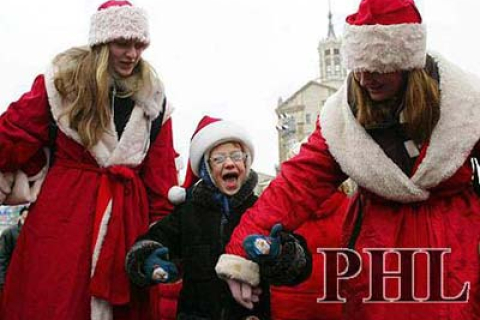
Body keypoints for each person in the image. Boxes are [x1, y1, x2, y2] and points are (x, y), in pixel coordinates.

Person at [215, 0, 480, 319]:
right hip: (377, 253)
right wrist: (240, 254)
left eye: (379, 66)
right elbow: (295, 186)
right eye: (359, 66)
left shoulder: (464, 106)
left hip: (457, 248)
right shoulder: (341, 119)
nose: (366, 78)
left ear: (406, 61)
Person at [0, 1, 179, 319]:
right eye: (122, 44)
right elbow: (14, 133)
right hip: (65, 216)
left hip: (128, 219)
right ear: (101, 43)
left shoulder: (154, 99)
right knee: (57, 301)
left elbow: (161, 174)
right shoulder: (62, 84)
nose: (132, 54)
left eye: (139, 45)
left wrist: (158, 234)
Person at [126, 116, 270, 320]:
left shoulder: (262, 209)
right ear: (206, 169)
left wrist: (280, 253)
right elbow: (153, 240)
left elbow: (296, 265)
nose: (229, 163)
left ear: (246, 162)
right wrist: (147, 259)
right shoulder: (187, 213)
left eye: (236, 156)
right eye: (219, 159)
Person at [0, 206, 28, 292]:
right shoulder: (9, 233)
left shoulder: (35, 234)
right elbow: (2, 258)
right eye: (24, 218)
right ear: (20, 217)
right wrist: (2, 281)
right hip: (11, 277)